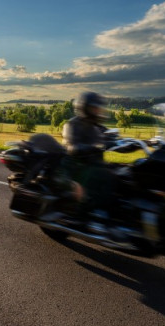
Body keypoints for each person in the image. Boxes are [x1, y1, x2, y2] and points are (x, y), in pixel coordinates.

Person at [62, 92, 117, 227]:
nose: (98, 111)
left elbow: (112, 139)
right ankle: (79, 214)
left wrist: (141, 143)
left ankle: (115, 212)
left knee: (121, 171)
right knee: (99, 175)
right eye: (95, 108)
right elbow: (72, 147)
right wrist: (96, 146)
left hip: (94, 163)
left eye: (99, 108)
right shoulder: (72, 125)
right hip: (77, 165)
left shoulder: (97, 126)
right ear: (85, 108)